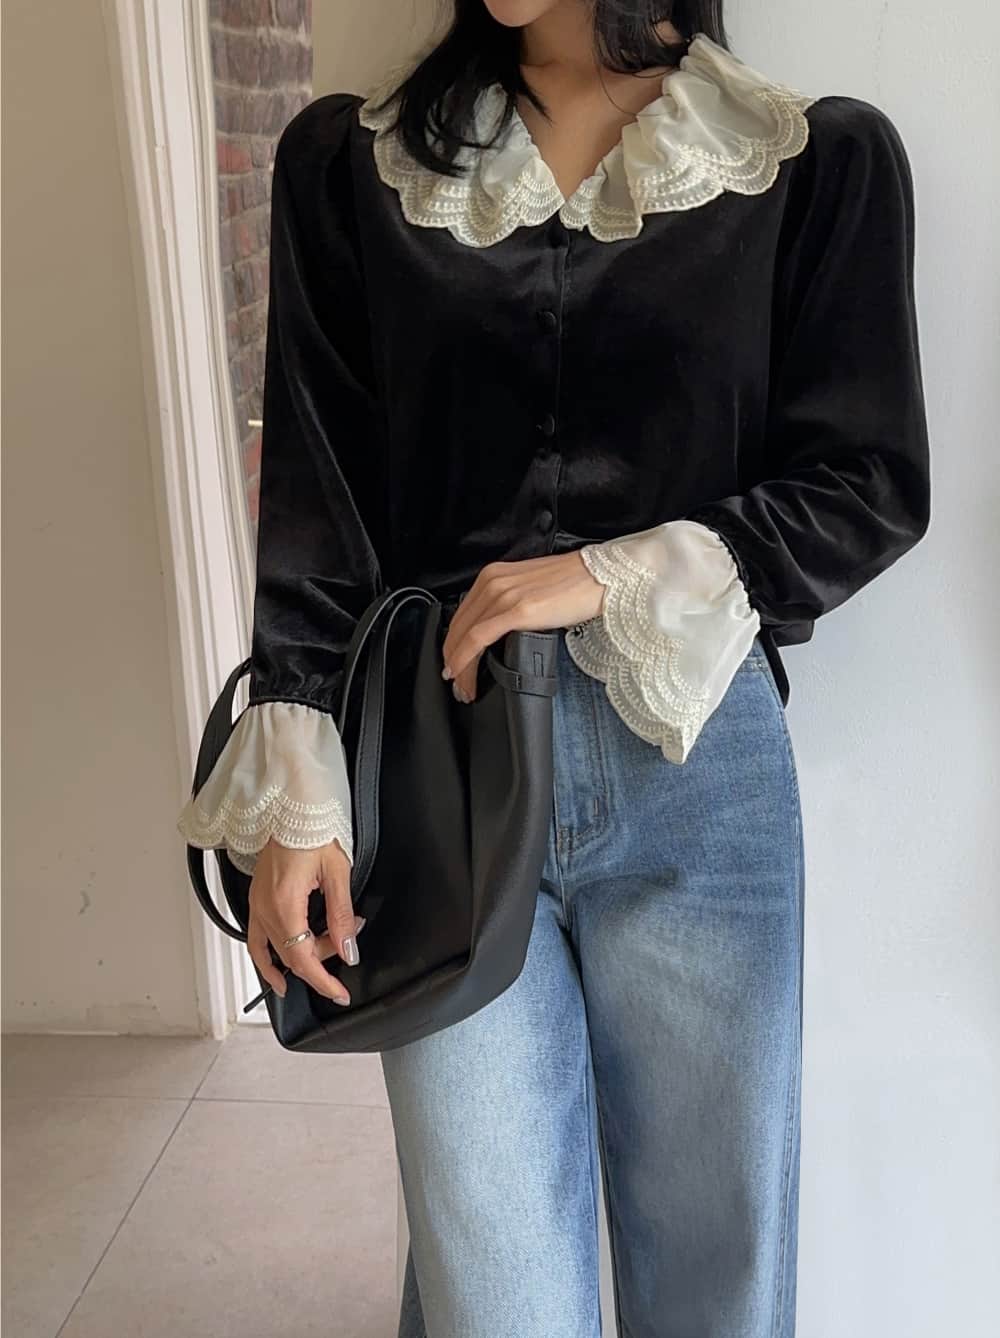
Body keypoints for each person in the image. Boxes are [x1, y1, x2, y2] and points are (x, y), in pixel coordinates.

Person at [177, 3, 931, 1334]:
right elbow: (317, 502)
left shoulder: (809, 164)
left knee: (719, 1276)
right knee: (496, 1294)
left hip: (697, 767)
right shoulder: (352, 169)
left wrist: (605, 571)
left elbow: (869, 483)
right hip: (443, 775)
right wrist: (301, 786)